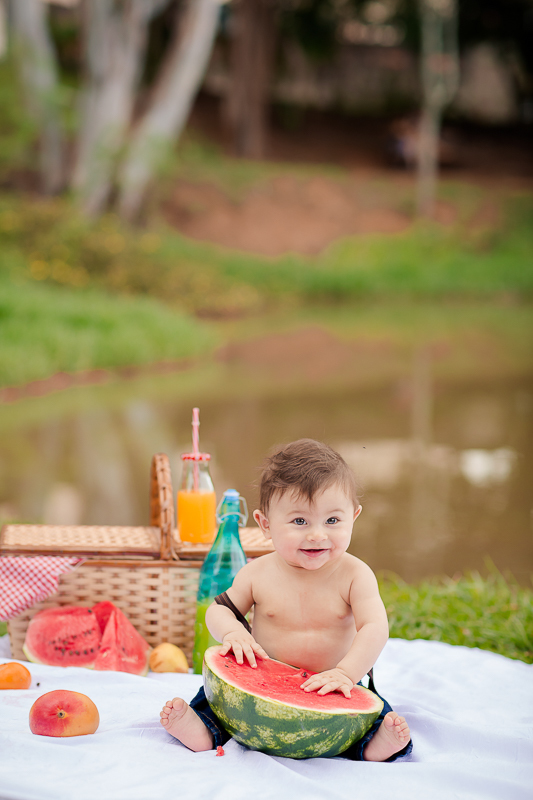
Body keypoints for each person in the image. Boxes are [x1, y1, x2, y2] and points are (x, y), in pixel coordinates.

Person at [160, 439, 412, 762]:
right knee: (214, 701)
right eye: (299, 521)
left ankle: (376, 746)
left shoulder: (355, 575)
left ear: (354, 516)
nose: (317, 535)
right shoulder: (258, 573)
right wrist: (233, 632)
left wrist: (346, 674)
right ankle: (202, 730)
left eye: (332, 521)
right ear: (265, 524)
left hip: (332, 684)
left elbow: (375, 628)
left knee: (372, 715)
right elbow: (218, 611)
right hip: (260, 686)